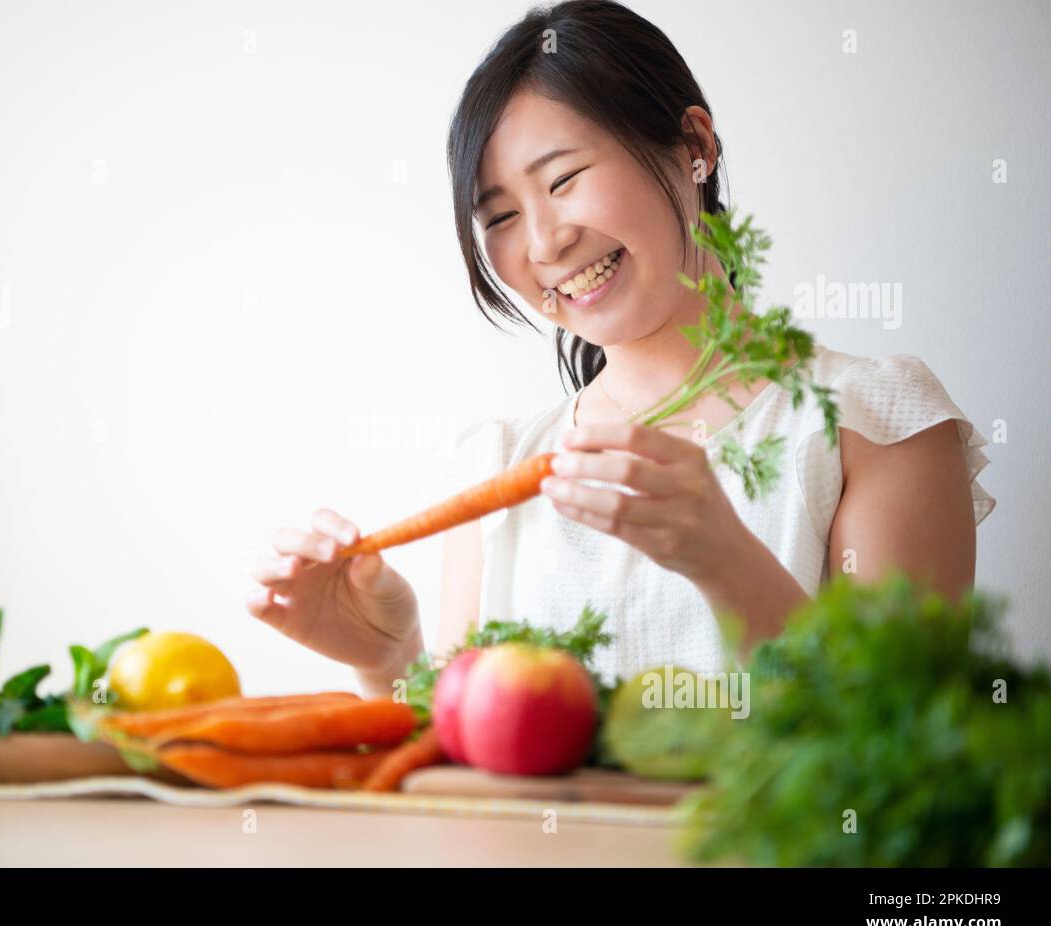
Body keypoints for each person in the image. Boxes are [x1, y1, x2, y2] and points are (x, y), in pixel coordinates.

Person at [244, 0, 995, 696]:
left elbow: (905, 759)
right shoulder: (499, 469)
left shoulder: (871, 422)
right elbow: (462, 787)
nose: (545, 242)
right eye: (500, 216)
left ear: (694, 146)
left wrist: (724, 559)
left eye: (565, 178)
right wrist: (388, 658)